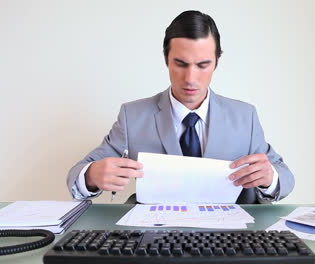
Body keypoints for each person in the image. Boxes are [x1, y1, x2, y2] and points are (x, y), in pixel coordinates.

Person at [67, 10, 294, 204]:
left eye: (203, 65)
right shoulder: (132, 117)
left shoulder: (245, 117)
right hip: (157, 239)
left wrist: (269, 178)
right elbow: (76, 175)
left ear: (217, 62)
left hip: (229, 238)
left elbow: (284, 176)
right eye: (180, 64)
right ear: (166, 59)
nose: (190, 78)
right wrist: (92, 176)